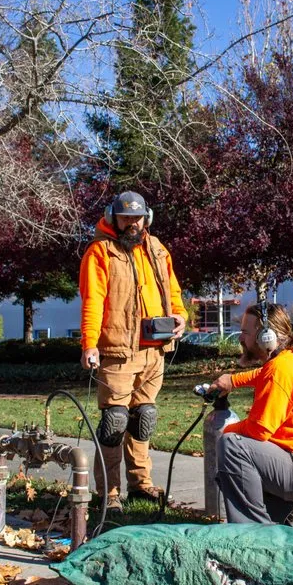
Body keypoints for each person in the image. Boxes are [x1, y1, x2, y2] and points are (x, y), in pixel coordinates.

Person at [79, 191, 187, 511]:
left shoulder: (156, 248)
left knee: (144, 418)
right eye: (126, 217)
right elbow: (92, 302)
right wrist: (89, 345)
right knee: (114, 421)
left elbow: (173, 288)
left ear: (147, 218)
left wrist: (180, 314)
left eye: (137, 217)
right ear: (113, 217)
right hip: (116, 352)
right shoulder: (100, 252)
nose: (132, 224)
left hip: (154, 351)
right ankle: (110, 492)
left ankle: (141, 485)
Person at [210, 303, 293, 526]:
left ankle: (254, 533)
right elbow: (263, 374)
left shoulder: (279, 371)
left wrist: (225, 430)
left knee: (232, 445)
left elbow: (258, 430)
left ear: (265, 338)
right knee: (239, 447)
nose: (241, 339)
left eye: (245, 333)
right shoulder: (291, 360)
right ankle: (292, 509)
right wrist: (233, 380)